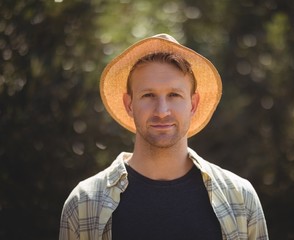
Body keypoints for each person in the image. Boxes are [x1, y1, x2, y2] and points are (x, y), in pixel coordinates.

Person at [59, 34, 268, 240]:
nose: (162, 111)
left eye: (174, 95)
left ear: (193, 104)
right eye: (148, 95)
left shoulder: (241, 199)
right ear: (129, 104)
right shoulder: (84, 204)